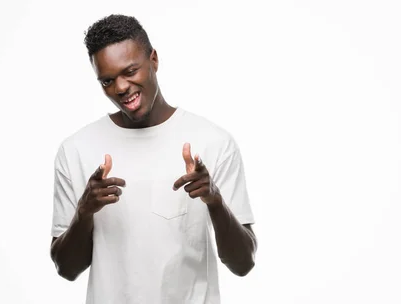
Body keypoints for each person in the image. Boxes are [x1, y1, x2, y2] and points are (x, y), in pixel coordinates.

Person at [49, 14, 257, 303]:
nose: (121, 87)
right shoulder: (77, 149)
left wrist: (214, 200)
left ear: (154, 60)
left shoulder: (213, 142)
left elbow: (243, 263)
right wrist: (84, 213)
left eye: (130, 71)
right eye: (108, 80)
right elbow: (67, 269)